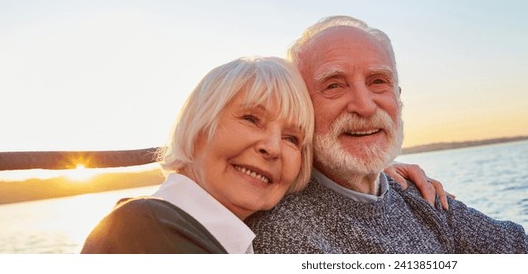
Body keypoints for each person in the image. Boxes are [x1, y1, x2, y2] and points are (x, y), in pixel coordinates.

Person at [246, 16, 528, 254]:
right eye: (334, 85)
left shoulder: (417, 196)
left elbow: (525, 252)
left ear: (398, 98)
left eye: (379, 82)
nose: (364, 106)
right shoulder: (282, 227)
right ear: (301, 108)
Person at [80, 56, 446, 254]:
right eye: (251, 119)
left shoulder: (226, 239)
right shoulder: (143, 231)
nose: (272, 147)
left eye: (291, 138)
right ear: (198, 127)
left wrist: (369, 171)